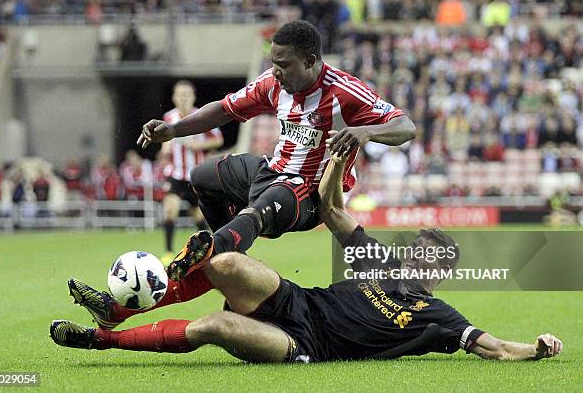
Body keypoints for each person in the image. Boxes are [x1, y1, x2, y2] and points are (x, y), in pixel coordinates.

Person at [50, 152, 562, 363]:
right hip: (293, 299)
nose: (414, 260)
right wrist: (337, 163)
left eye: (426, 259)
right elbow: (335, 211)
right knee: (218, 262)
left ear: (439, 273)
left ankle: (105, 338)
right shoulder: (379, 265)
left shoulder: (437, 317)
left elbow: (489, 345)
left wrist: (535, 349)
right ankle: (117, 307)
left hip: (302, 342)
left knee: (212, 326)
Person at [137, 20, 416, 280]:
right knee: (202, 176)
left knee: (261, 207)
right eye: (273, 63)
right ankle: (234, 260)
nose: (276, 71)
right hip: (275, 170)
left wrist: (366, 131)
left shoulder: (345, 92)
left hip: (311, 194)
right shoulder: (273, 84)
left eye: (283, 64)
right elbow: (225, 109)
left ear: (309, 61)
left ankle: (208, 260)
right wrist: (175, 130)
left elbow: (405, 126)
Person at [160, 80, 223, 261]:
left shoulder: (201, 116)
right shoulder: (169, 118)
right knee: (170, 210)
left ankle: (207, 250)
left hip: (195, 175)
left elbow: (217, 140)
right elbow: (166, 141)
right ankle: (168, 252)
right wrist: (165, 149)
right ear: (174, 97)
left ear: (193, 97)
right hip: (175, 174)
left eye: (187, 95)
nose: (183, 99)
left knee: (198, 216)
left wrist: (198, 145)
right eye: (180, 95)